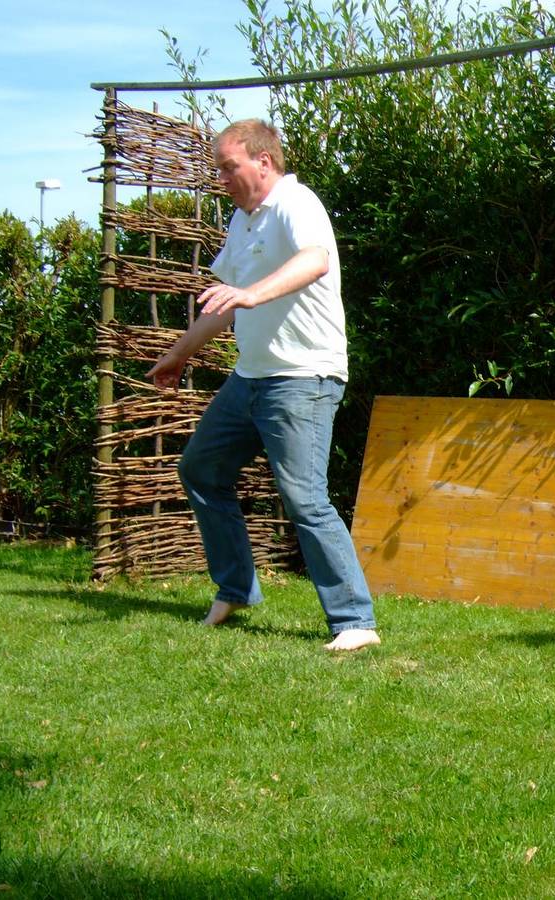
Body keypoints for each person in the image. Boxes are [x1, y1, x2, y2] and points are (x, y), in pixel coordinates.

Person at [147, 119, 380, 652]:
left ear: (263, 162)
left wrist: (252, 295)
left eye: (228, 167)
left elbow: (314, 260)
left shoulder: (297, 203)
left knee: (304, 497)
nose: (221, 178)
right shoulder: (242, 220)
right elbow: (225, 301)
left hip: (303, 377)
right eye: (219, 169)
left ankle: (355, 621)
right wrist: (178, 354)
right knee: (201, 469)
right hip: (250, 378)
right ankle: (236, 590)